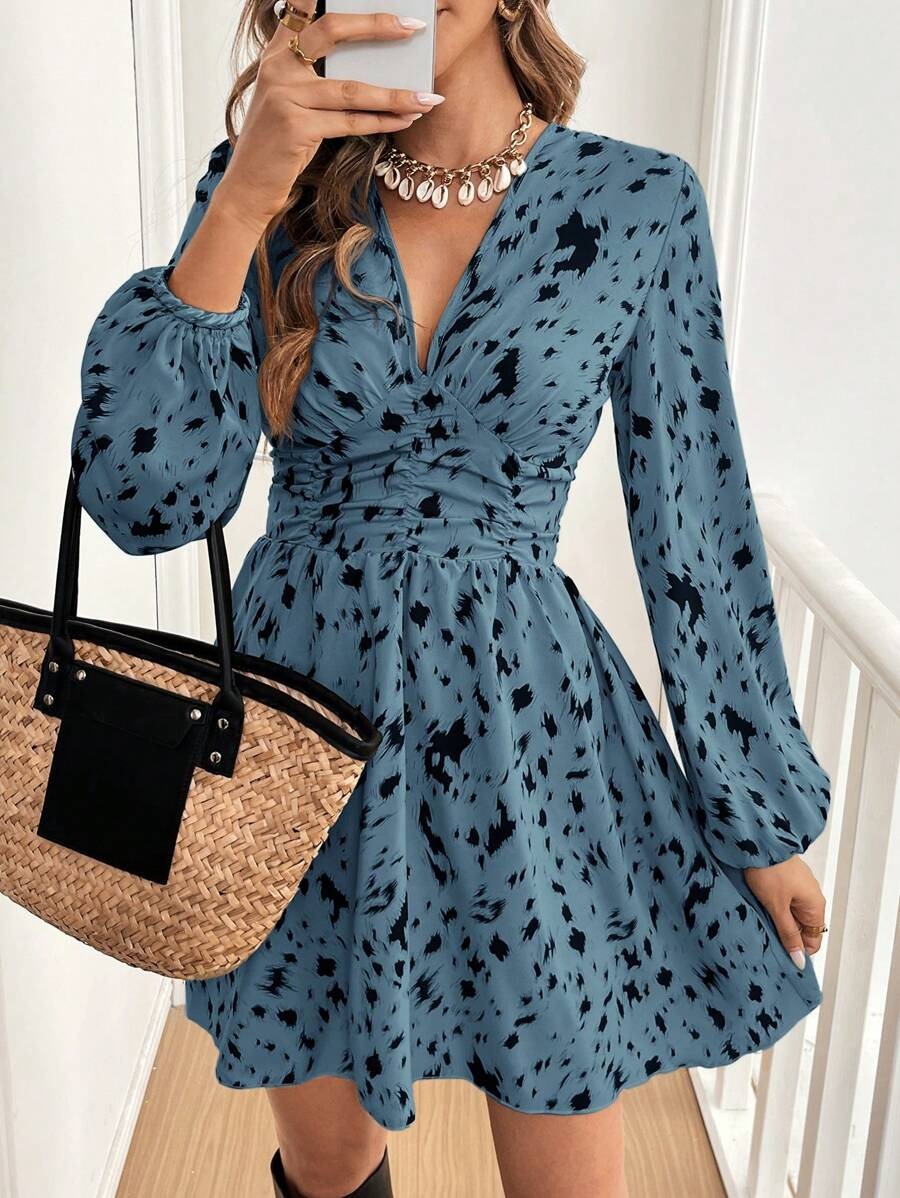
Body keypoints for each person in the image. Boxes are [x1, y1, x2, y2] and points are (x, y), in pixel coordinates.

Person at [70, 2, 831, 1196]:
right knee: (329, 1160)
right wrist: (249, 190)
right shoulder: (271, 181)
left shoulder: (638, 204)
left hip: (527, 731)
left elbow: (696, 518)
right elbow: (147, 500)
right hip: (296, 731)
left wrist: (759, 812)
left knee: (564, 1138)